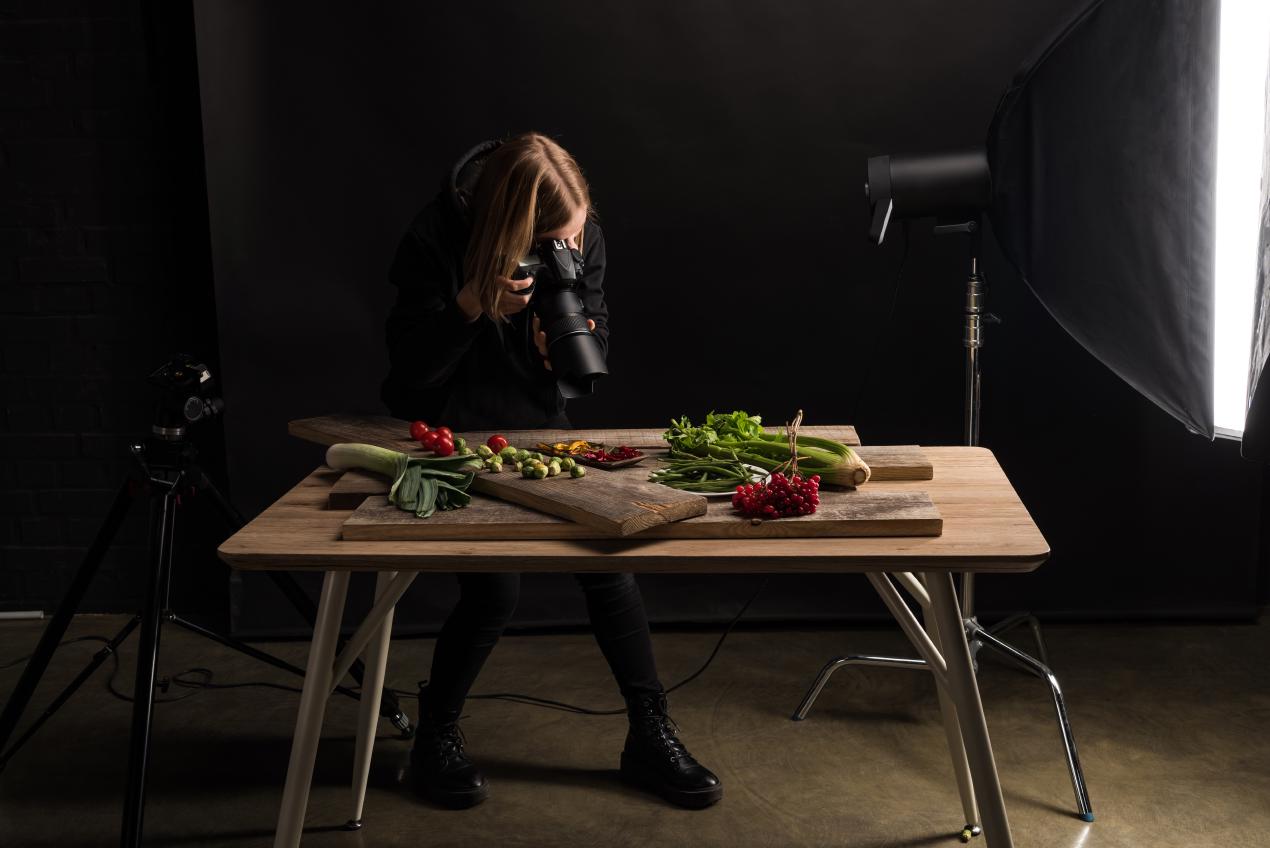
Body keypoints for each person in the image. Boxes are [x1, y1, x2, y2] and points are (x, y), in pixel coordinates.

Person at [380, 132, 722, 810]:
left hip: (535, 426)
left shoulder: (579, 232)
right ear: (511, 230)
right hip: (451, 430)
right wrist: (473, 308)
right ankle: (435, 738)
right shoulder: (434, 236)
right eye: (555, 241)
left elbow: (594, 341)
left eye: (576, 235)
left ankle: (649, 734)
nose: (572, 246)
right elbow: (408, 378)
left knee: (609, 565)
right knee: (492, 595)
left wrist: (559, 350)